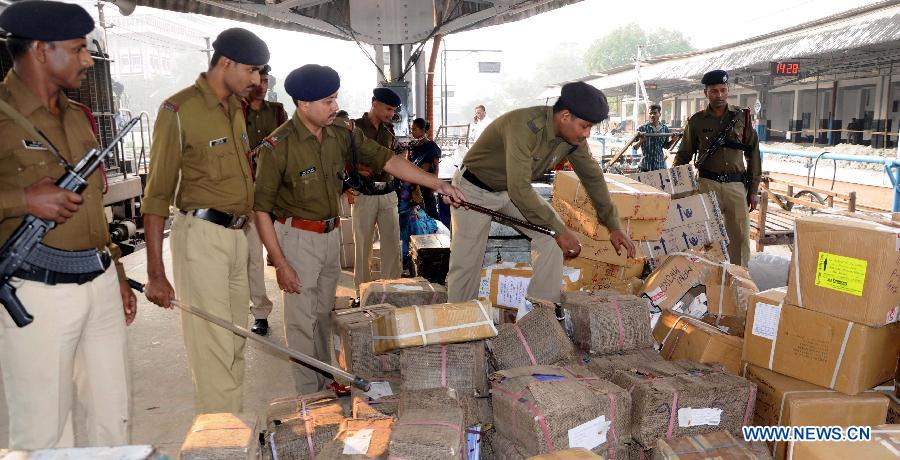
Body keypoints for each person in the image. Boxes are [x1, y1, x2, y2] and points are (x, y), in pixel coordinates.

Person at [251, 64, 463, 394]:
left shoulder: (342, 133)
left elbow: (388, 160)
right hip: (296, 239)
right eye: (327, 101)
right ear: (303, 105)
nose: (335, 106)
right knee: (299, 321)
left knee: (322, 315)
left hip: (330, 235)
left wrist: (437, 184)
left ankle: (325, 377)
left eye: (335, 99)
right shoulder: (279, 146)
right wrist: (279, 263)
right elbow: (261, 209)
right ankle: (310, 395)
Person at [0, 1, 136, 449]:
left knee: (112, 415)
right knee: (44, 428)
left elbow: (92, 207)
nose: (88, 60)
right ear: (40, 50)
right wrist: (23, 199)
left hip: (97, 283)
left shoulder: (78, 116)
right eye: (78, 49)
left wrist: (114, 272)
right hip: (36, 289)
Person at [141, 27, 269, 414]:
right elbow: (156, 196)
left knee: (233, 340)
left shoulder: (234, 109)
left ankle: (229, 429)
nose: (256, 80)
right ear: (225, 63)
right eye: (251, 70)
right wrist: (155, 273)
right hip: (201, 237)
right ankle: (222, 440)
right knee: (212, 343)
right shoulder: (178, 111)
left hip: (236, 236)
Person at [447, 82, 636, 305]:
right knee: (466, 264)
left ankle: (540, 317)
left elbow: (593, 178)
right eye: (585, 126)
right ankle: (459, 328)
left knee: (551, 239)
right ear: (565, 116)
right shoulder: (523, 127)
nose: (587, 134)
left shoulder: (573, 141)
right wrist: (560, 229)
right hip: (473, 190)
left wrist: (613, 225)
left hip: (507, 191)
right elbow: (521, 190)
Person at [674, 70, 761, 267]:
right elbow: (684, 154)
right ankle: (708, 284)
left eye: (723, 90)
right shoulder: (697, 121)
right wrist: (675, 185)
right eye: (714, 91)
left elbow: (753, 153)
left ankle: (740, 283)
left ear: (728, 90)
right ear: (706, 93)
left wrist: (753, 190)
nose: (719, 95)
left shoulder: (742, 118)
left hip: (736, 186)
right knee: (706, 238)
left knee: (740, 238)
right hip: (707, 184)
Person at [243, 64, 287, 336]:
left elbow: (287, 140)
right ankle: (260, 312)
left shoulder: (277, 111)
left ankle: (303, 307)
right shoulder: (235, 111)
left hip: (279, 193)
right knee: (253, 257)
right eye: (258, 78)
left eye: (266, 78)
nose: (262, 83)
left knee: (290, 251)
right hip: (249, 191)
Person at [351, 88, 403, 303]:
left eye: (393, 110)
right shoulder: (355, 128)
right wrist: (357, 167)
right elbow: (341, 158)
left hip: (388, 194)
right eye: (388, 109)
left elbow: (396, 156)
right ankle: (362, 294)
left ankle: (391, 293)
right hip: (364, 193)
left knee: (391, 245)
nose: (391, 114)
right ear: (374, 103)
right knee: (363, 246)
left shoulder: (389, 130)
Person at [407, 117, 441, 219]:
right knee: (416, 216)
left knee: (430, 213)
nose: (412, 132)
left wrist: (433, 186)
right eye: (411, 129)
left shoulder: (432, 146)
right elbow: (407, 164)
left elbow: (436, 168)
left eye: (414, 129)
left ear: (422, 130)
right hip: (414, 186)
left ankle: (434, 234)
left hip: (427, 186)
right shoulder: (411, 146)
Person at [633, 104, 671, 172]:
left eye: (655, 113)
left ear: (660, 114)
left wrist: (673, 140)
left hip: (660, 166)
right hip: (645, 167)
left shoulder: (665, 128)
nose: (652, 115)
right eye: (650, 113)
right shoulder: (642, 128)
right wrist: (641, 141)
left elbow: (666, 146)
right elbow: (634, 147)